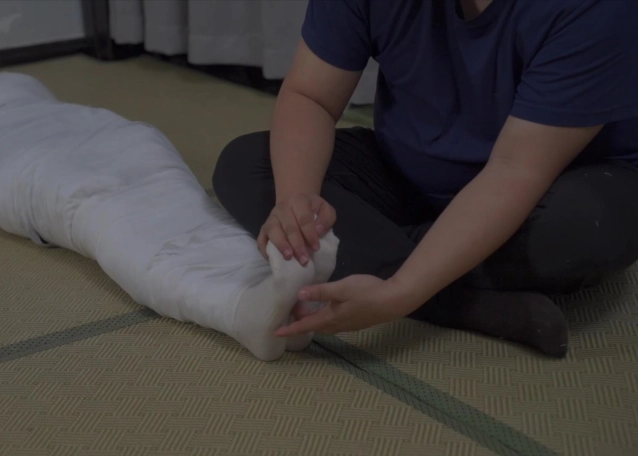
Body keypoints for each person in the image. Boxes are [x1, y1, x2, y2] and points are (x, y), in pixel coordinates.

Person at [0, 46, 341, 362]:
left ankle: (279, 285)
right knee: (106, 215)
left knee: (175, 197)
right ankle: (237, 309)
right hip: (16, 162)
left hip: (98, 132)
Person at [212, 0, 638, 357]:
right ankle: (457, 302)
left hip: (552, 184)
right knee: (250, 165)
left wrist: (402, 292)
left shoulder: (593, 9)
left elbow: (516, 168)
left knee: (583, 227)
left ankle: (398, 262)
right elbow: (311, 96)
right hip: (409, 172)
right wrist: (296, 202)